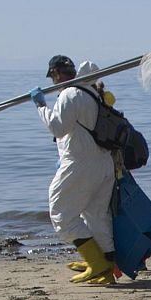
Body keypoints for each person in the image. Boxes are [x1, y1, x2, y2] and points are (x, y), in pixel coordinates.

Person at [30, 56, 119, 286]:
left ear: (57, 74)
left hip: (81, 163)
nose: (53, 81)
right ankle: (106, 268)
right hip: (102, 163)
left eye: (53, 76)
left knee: (60, 213)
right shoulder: (93, 93)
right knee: (96, 216)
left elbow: (57, 128)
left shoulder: (70, 94)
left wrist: (41, 106)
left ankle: (97, 262)